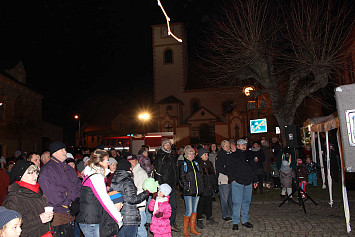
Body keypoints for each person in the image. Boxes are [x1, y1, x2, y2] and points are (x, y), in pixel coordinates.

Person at [38, 141, 82, 236]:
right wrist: (69, 203)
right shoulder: (47, 170)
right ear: (55, 152)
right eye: (62, 149)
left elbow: (77, 185)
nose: (65, 152)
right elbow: (51, 194)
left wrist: (77, 200)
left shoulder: (69, 169)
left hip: (69, 217)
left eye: (65, 149)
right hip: (57, 216)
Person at [77, 149, 123, 237]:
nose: (108, 163)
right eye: (107, 161)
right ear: (100, 162)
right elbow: (104, 199)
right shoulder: (96, 177)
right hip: (90, 220)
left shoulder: (92, 174)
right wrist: (118, 217)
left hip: (89, 218)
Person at [3, 160, 54, 236]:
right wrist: (39, 219)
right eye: (30, 173)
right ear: (20, 176)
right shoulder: (14, 198)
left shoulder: (38, 192)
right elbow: (12, 228)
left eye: (36, 173)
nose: (36, 176)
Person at [110, 159, 149, 237]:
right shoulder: (127, 181)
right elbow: (132, 199)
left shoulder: (114, 179)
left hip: (119, 215)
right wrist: (146, 193)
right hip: (129, 217)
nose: (131, 169)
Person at [227, 139, 258, 231]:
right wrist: (232, 179)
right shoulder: (233, 156)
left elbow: (253, 168)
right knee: (237, 203)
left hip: (248, 182)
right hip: (237, 182)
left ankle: (245, 220)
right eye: (241, 144)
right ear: (238, 146)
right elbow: (229, 168)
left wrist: (255, 180)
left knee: (246, 202)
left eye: (245, 144)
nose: (244, 146)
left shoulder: (250, 154)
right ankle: (235, 222)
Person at [153, 139, 180, 232]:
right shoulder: (160, 157)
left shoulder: (172, 155)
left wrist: (177, 181)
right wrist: (161, 186)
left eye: (169, 144)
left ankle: (172, 222)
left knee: (173, 206)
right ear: (162, 146)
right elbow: (158, 172)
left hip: (172, 185)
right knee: (164, 206)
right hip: (164, 186)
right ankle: (165, 224)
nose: (168, 146)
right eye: (166, 145)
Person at [179, 147, 204, 237]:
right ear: (186, 154)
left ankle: (192, 229)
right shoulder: (183, 164)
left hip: (197, 191)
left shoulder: (196, 163)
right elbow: (182, 177)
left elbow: (201, 176)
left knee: (194, 210)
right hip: (188, 191)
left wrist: (201, 186)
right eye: (190, 153)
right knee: (189, 211)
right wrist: (186, 187)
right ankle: (185, 231)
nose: (191, 155)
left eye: (193, 154)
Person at [196, 148, 218, 229]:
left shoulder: (209, 163)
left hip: (209, 187)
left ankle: (209, 217)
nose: (207, 156)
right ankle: (199, 219)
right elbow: (199, 177)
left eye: (207, 154)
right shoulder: (198, 164)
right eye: (205, 154)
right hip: (202, 187)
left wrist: (214, 185)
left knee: (209, 203)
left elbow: (212, 175)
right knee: (201, 204)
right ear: (200, 155)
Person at [127, 155, 149, 237]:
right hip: (134, 205)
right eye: (129, 161)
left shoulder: (141, 173)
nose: (130, 163)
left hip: (140, 205)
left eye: (132, 161)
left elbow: (142, 190)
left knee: (140, 228)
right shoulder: (131, 171)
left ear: (137, 161)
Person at [215, 140, 233, 222]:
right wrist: (228, 172)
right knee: (224, 199)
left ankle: (233, 213)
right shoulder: (221, 155)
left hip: (231, 179)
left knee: (231, 198)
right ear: (222, 147)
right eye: (226, 146)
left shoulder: (230, 154)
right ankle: (225, 215)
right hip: (224, 179)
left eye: (229, 146)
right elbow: (220, 168)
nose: (228, 147)